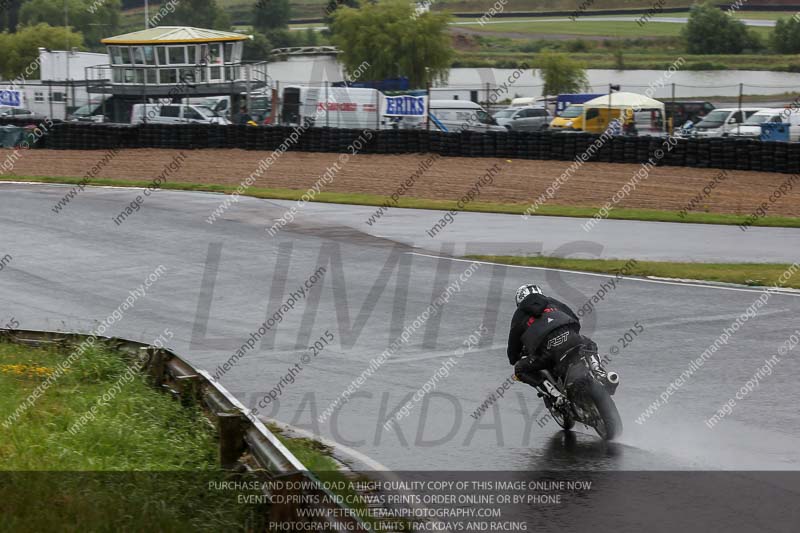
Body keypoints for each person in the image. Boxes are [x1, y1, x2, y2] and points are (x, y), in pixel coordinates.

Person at [507, 284, 600, 406]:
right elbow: (574, 318)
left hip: (548, 352)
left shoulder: (519, 315)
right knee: (588, 344)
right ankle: (599, 371)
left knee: (519, 369)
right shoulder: (551, 301)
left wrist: (515, 357)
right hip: (571, 338)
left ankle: (555, 395)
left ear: (519, 301)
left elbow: (513, 350)